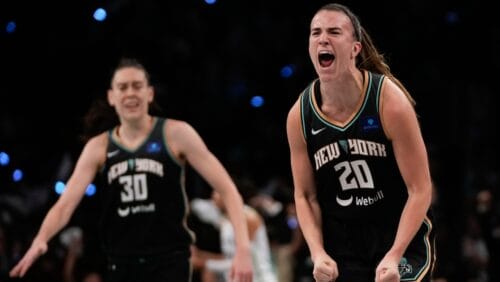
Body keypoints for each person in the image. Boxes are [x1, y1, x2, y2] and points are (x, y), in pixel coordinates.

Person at [9, 58, 253, 282]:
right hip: (121, 265)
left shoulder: (176, 133)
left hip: (169, 263)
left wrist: (243, 249)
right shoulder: (99, 147)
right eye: (123, 87)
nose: (130, 93)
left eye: (137, 86)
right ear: (111, 97)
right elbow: (65, 206)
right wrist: (41, 239)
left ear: (149, 93)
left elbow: (228, 190)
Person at [286, 3, 435, 282]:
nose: (323, 39)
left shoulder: (388, 102)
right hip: (343, 243)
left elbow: (420, 188)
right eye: (315, 32)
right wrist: (317, 252)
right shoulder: (299, 116)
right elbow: (305, 196)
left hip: (398, 232)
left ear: (355, 48)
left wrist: (394, 254)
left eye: (334, 32)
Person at [190, 190, 277, 282]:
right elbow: (230, 256)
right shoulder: (223, 219)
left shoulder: (248, 217)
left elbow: (244, 260)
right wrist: (199, 255)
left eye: (218, 191)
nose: (214, 197)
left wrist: (205, 263)